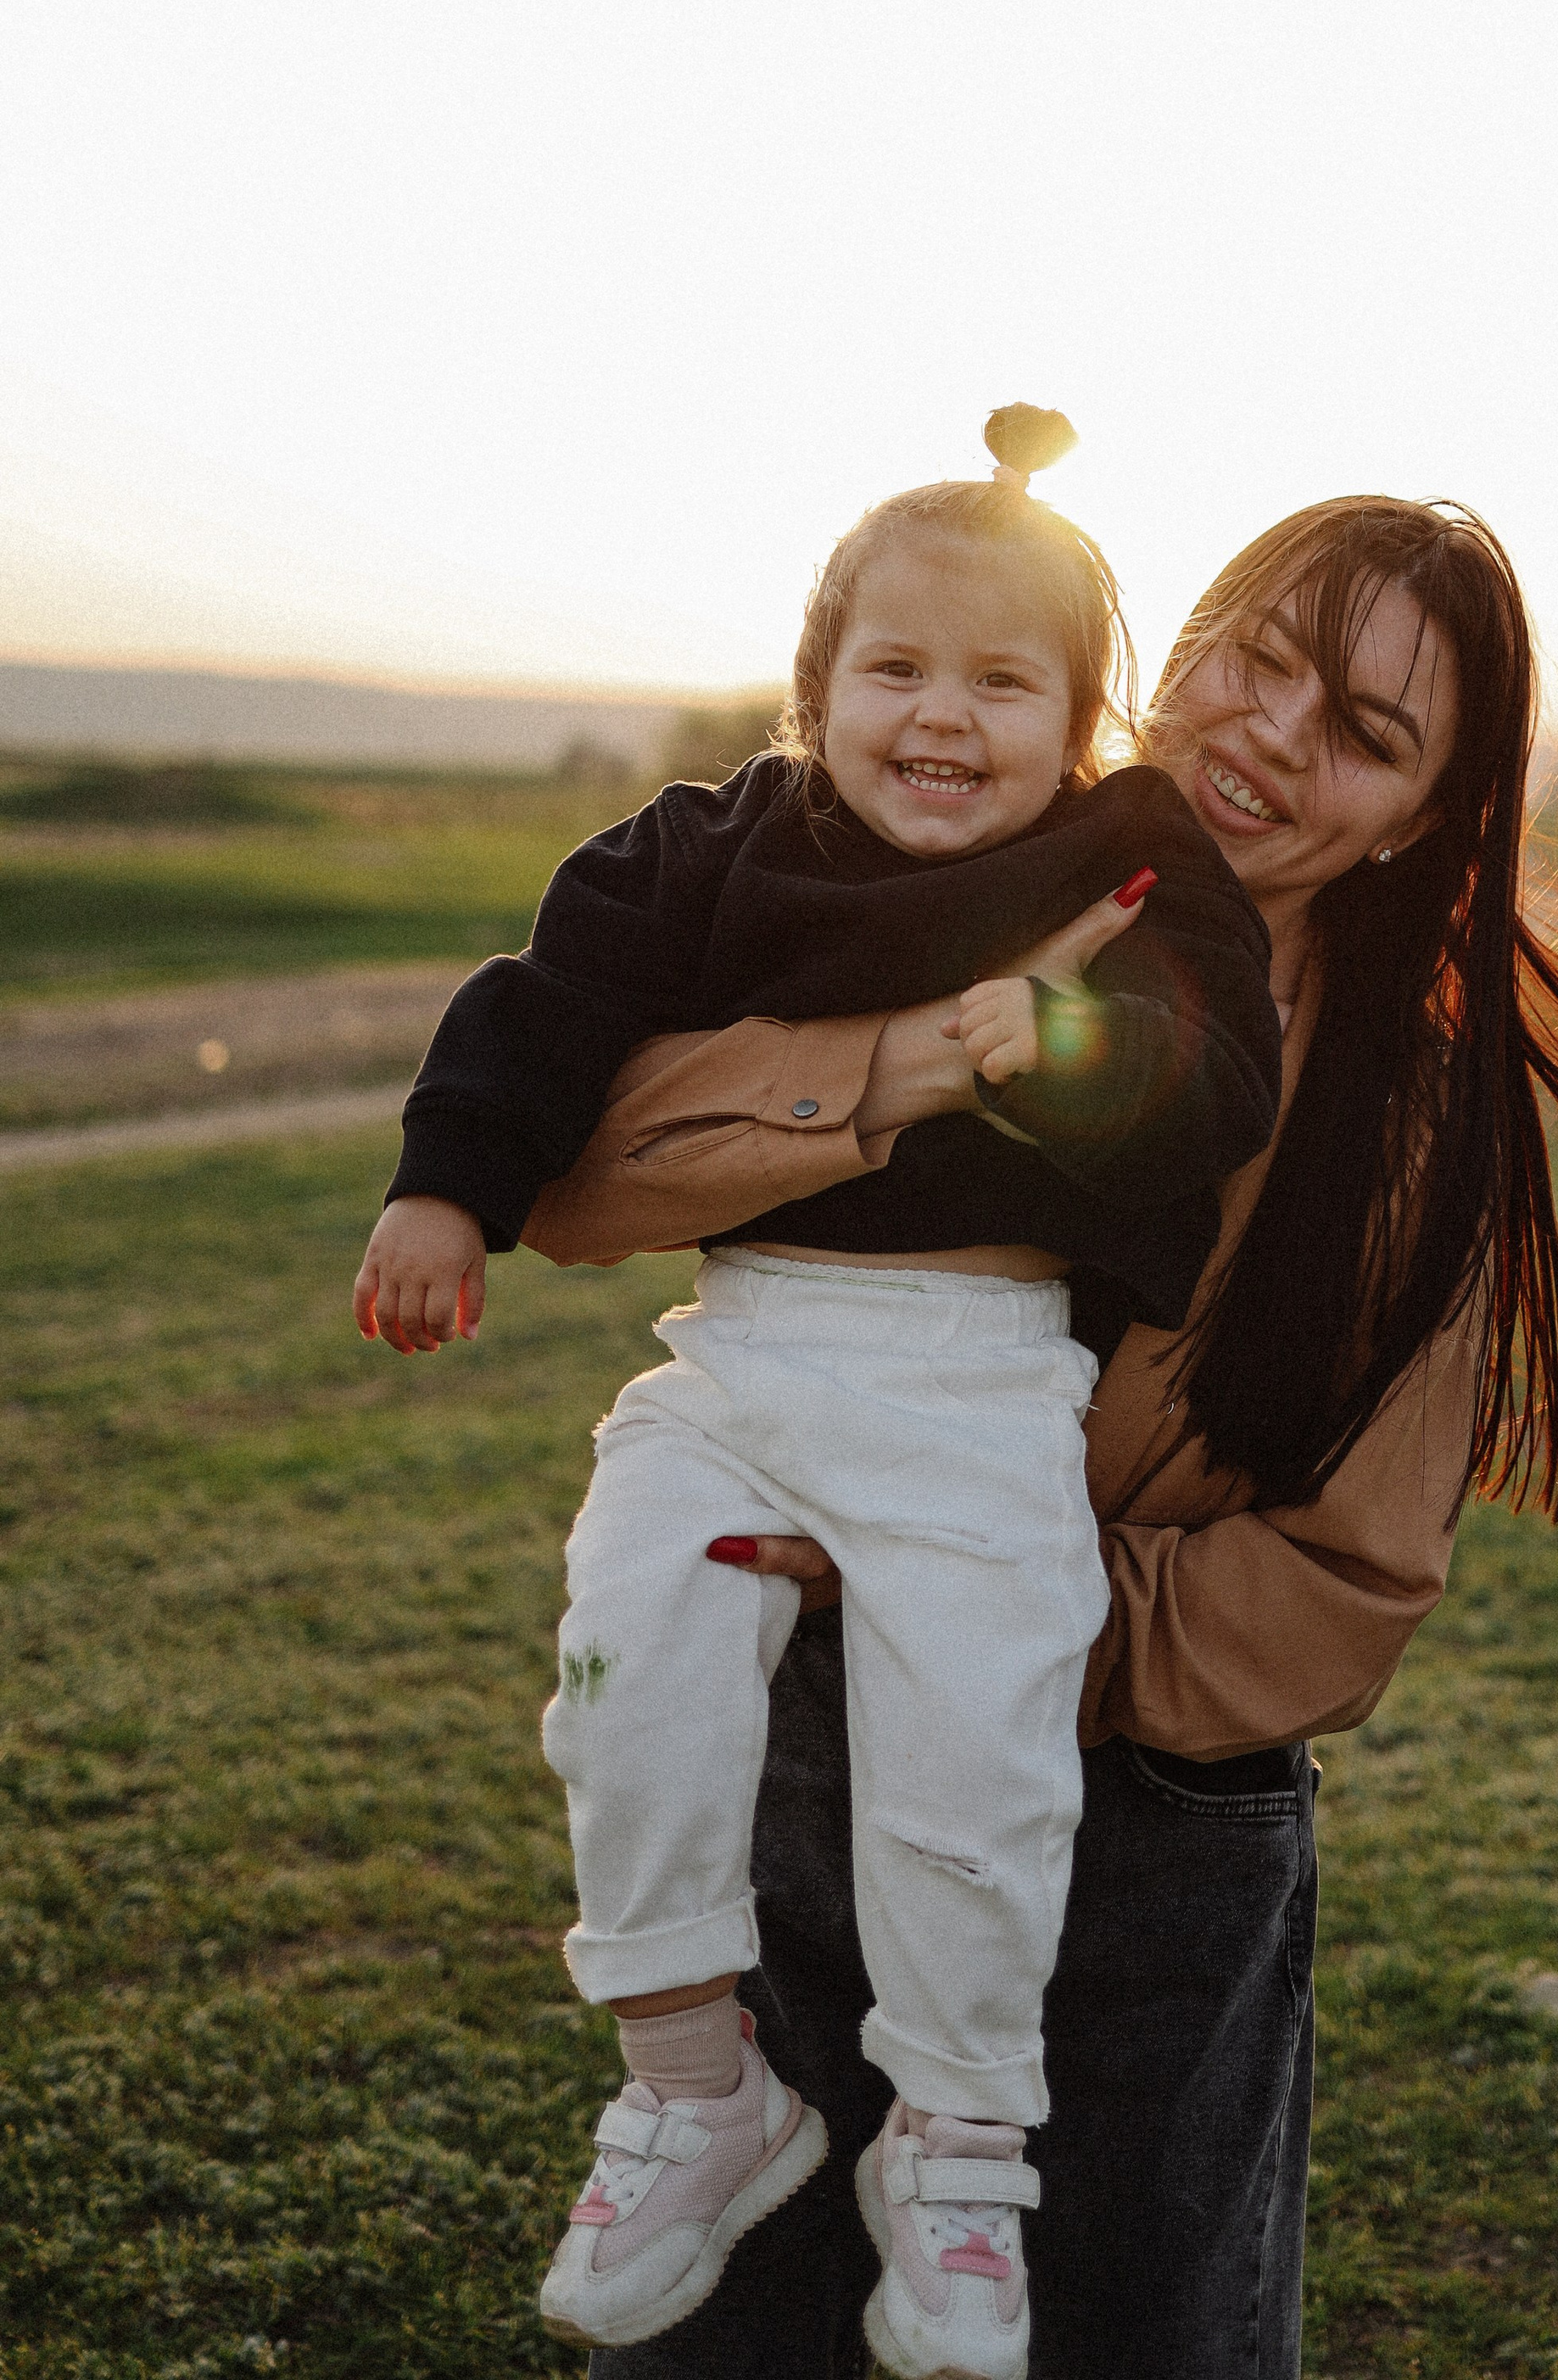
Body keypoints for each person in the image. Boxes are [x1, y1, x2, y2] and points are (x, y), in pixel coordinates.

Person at [536, 491, 1558, 2380]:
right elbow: (577, 1181)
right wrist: (920, 1058)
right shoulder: (921, 863)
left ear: (1418, 818)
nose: (1271, 736)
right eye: (1256, 656)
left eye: (1366, 734)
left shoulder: (1409, 1122)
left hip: (1151, 1843)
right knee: (741, 2333)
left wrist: (978, 1608)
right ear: (1174, 646)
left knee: (1120, 2341)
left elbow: (1344, 1587)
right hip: (803, 1765)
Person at [351, 411, 1284, 2376]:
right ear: (816, 689)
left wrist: (1064, 1043)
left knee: (978, 1756)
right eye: (895, 670)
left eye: (1000, 681)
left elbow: (1217, 1084)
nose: (940, 719)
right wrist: (446, 1187)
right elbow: (545, 1004)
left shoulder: (1127, 860)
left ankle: (955, 2153)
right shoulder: (718, 849)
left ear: (1079, 718)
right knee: (628, 1660)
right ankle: (699, 2085)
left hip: (980, 1386)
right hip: (743, 1357)